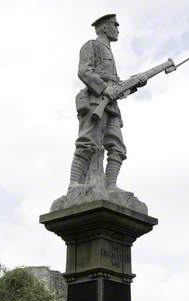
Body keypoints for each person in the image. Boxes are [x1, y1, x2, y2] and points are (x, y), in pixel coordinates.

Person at [68, 14, 138, 190]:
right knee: (87, 142)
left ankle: (111, 186)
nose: (118, 29)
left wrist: (129, 86)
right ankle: (74, 184)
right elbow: (84, 71)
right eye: (115, 25)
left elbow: (113, 81)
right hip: (95, 101)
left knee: (118, 148)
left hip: (112, 106)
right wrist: (104, 88)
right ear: (105, 27)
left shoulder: (109, 52)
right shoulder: (92, 46)